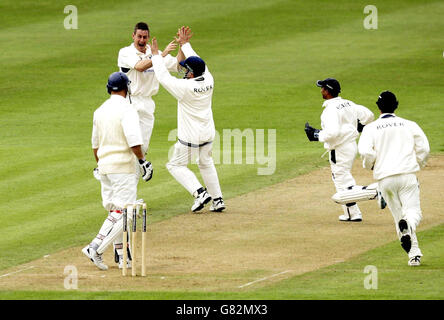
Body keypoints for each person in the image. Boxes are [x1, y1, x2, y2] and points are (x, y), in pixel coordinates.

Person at [82, 72, 153, 270]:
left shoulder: (99, 111)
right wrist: (143, 161)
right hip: (123, 167)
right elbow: (134, 141)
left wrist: (102, 163)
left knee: (116, 212)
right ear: (127, 88)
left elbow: (95, 146)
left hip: (104, 167)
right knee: (126, 213)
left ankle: (122, 257)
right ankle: (95, 247)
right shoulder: (128, 110)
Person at [150, 26, 225, 213]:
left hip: (190, 137)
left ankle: (200, 192)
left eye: (186, 69)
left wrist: (155, 55)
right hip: (208, 133)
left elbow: (162, 76)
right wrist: (185, 44)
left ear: (191, 72)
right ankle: (218, 200)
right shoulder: (208, 78)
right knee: (206, 163)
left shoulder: (184, 88)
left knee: (175, 165)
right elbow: (200, 61)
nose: (184, 71)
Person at [358, 91, 430, 266]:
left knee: (399, 216)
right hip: (407, 176)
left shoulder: (370, 128)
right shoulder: (409, 124)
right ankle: (410, 233)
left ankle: (414, 255)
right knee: (413, 213)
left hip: (385, 179)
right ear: (396, 105)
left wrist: (371, 165)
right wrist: (419, 164)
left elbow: (366, 152)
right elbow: (424, 148)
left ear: (378, 106)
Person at [305, 78, 374, 222]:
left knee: (343, 181)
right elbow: (369, 115)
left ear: (328, 91)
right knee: (343, 181)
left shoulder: (329, 111)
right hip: (350, 145)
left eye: (323, 88)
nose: (321, 90)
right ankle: (352, 213)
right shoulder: (348, 103)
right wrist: (357, 127)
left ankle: (375, 192)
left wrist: (316, 135)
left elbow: (332, 133)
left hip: (340, 149)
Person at [117, 21, 182, 155]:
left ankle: (136, 173)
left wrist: (183, 45)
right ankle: (105, 169)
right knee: (128, 145)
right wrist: (161, 55)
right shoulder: (125, 52)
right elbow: (140, 67)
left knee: (143, 148)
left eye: (144, 37)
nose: (141, 40)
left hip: (147, 103)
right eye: (139, 36)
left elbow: (178, 66)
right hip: (130, 102)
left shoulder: (154, 53)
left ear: (148, 38)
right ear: (133, 36)